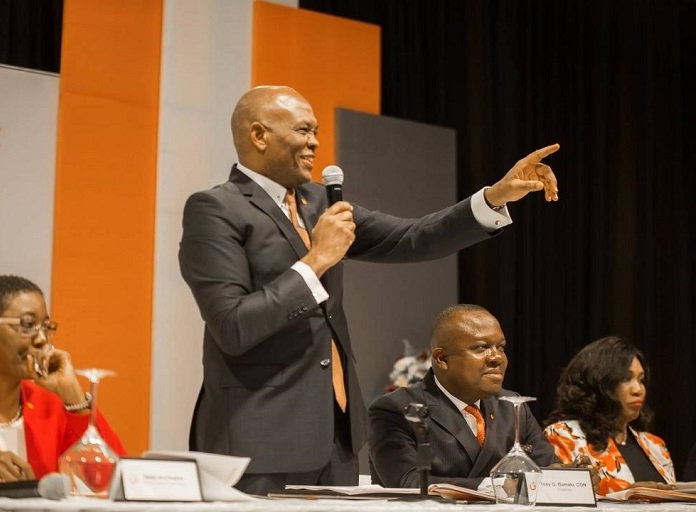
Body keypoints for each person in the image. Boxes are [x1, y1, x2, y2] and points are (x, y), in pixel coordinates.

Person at [178, 85, 559, 494]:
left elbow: (412, 237)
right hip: (258, 440)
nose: (315, 142)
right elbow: (233, 326)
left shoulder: (318, 202)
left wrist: (493, 198)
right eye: (304, 131)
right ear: (259, 135)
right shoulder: (216, 209)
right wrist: (317, 260)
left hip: (336, 438)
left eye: (317, 131)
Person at [0, 275, 126, 489]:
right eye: (28, 324)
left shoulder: (50, 405)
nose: (42, 339)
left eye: (46, 327)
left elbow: (118, 478)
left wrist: (73, 395)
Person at [368, 304, 556, 489]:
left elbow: (548, 471)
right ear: (442, 358)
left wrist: (576, 475)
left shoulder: (513, 407)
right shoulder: (397, 409)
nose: (496, 358)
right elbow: (409, 483)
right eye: (482, 348)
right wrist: (498, 486)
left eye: (501, 347)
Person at [544, 336, 675, 496]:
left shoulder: (656, 446)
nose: (638, 390)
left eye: (641, 380)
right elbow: (563, 501)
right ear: (599, 382)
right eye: (626, 379)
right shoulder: (565, 436)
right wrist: (629, 494)